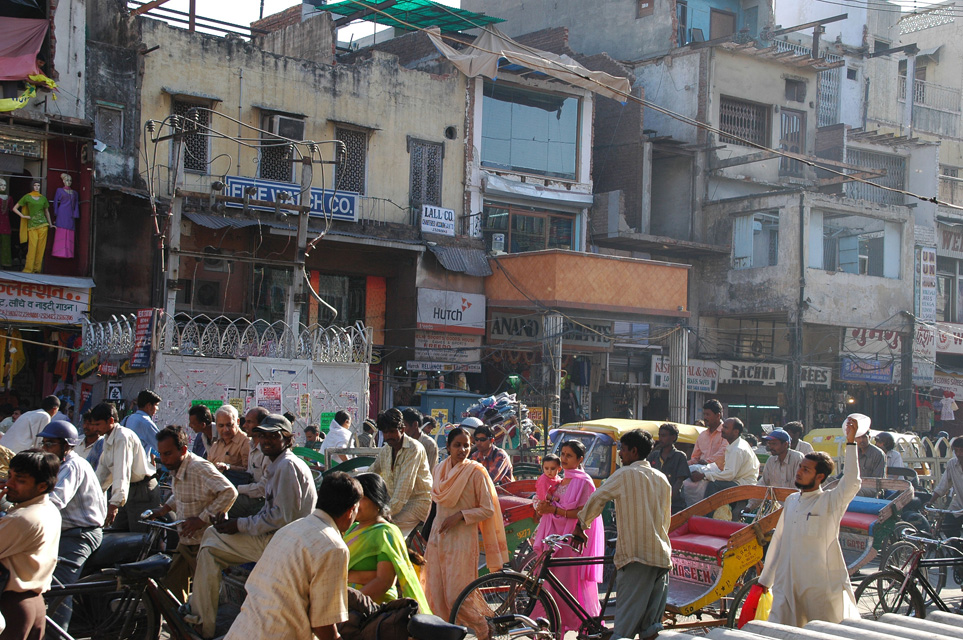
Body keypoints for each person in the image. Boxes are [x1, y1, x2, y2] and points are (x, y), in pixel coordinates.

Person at [184, 414, 317, 639]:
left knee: (209, 549)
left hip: (282, 544)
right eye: (262, 435)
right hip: (278, 537)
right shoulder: (279, 464)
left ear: (287, 438)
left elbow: (280, 518)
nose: (265, 441)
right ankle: (203, 610)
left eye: (272, 436)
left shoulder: (286, 465)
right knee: (210, 537)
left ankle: (201, 621)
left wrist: (240, 525)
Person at [223, 472, 363, 640]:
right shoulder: (333, 547)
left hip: (243, 629)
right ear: (350, 511)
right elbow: (322, 623)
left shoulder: (291, 528)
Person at [757, 417, 862, 627]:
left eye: (806, 470)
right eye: (800, 467)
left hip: (818, 587)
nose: (799, 472)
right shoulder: (792, 501)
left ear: (820, 476)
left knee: (821, 632)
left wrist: (851, 443)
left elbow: (851, 481)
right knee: (780, 630)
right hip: (787, 584)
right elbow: (778, 542)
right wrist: (765, 581)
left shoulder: (830, 502)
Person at [576, 429, 671, 640]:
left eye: (623, 450)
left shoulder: (625, 474)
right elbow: (665, 519)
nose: (620, 454)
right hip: (661, 556)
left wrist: (581, 525)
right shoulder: (661, 478)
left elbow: (597, 498)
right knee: (651, 629)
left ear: (634, 451)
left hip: (636, 555)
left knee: (624, 629)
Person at [424, 427, 508, 638]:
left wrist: (460, 515)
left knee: (457, 596)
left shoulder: (476, 472)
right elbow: (435, 506)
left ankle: (484, 629)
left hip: (461, 542)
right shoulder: (439, 469)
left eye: (466, 445)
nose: (462, 449)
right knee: (435, 594)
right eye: (457, 445)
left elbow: (487, 509)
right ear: (448, 447)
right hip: (437, 538)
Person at [148, 425, 237, 603]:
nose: (163, 459)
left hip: (203, 543)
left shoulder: (198, 467)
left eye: (168, 453)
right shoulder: (176, 467)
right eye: (161, 454)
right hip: (186, 540)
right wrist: (164, 509)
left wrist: (202, 519)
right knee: (171, 585)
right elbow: (181, 494)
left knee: (206, 594)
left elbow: (229, 492)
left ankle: (202, 625)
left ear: (183, 450)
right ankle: (181, 625)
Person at [37, 421, 107, 632]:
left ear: (66, 446)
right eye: (44, 443)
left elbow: (54, 500)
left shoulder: (71, 466)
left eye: (51, 444)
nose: (45, 448)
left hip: (80, 534)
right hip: (62, 532)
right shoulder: (55, 466)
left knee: (60, 587)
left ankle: (57, 633)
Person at [532, 440, 604, 634]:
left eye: (569, 455)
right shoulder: (560, 479)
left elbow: (585, 513)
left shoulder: (584, 482)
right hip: (555, 540)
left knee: (570, 586)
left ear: (580, 459)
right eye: (562, 454)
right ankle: (553, 627)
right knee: (552, 585)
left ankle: (583, 626)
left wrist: (554, 509)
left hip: (570, 543)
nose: (563, 459)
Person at [343, 473, 430, 610]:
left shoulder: (386, 533)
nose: (355, 505)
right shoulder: (351, 528)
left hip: (368, 609)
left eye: (361, 499)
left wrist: (348, 604)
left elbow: (384, 581)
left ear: (376, 500)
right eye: (353, 499)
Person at [0, 450, 62, 640]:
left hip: (12, 607)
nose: (9, 484)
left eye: (20, 479)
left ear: (41, 486)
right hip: (33, 605)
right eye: (9, 476)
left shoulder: (23, 518)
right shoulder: (48, 509)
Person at [90, 402, 160, 533]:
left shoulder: (122, 436)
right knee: (118, 534)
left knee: (139, 537)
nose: (95, 429)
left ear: (110, 420)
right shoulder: (107, 438)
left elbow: (122, 471)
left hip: (141, 491)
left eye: (97, 424)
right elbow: (103, 472)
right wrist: (91, 494)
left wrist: (114, 503)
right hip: (126, 491)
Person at [368, 408, 432, 536]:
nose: (388, 436)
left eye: (392, 432)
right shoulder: (386, 450)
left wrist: (384, 514)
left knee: (386, 530)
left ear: (402, 430)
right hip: (395, 503)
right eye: (385, 432)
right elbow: (371, 474)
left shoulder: (414, 449)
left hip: (418, 503)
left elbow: (404, 488)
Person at [689, 418, 759, 513]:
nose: (722, 429)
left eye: (726, 428)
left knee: (713, 485)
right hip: (738, 480)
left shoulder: (737, 449)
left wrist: (704, 475)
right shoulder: (735, 444)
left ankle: (706, 515)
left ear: (735, 432)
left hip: (743, 484)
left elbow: (729, 475)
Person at [747, 429, 804, 511]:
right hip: (777, 508)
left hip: (796, 507)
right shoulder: (771, 460)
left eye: (774, 444)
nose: (771, 447)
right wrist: (749, 506)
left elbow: (797, 488)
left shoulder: (797, 458)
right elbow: (763, 484)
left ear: (785, 444)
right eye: (769, 444)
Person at [232, 407, 269, 518]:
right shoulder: (252, 445)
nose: (244, 425)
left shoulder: (267, 451)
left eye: (249, 422)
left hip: (261, 501)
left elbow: (263, 489)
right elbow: (249, 473)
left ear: (260, 425)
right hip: (251, 492)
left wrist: (237, 488)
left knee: (225, 502)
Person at [647, 423, 690, 513]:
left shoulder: (679, 456)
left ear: (673, 437)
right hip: (654, 503)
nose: (660, 439)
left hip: (674, 505)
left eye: (663, 436)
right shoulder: (654, 455)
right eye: (659, 435)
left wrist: (667, 500)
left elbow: (679, 482)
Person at [12, 179, 53, 274]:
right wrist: (23, 216)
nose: (37, 187)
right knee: (32, 248)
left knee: (41, 248)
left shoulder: (43, 198)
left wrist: (50, 224)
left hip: (43, 225)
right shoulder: (27, 197)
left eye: (38, 185)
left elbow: (47, 212)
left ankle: (37, 269)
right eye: (35, 185)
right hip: (32, 226)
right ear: (32, 186)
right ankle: (28, 269)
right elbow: (15, 208)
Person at [928, 436, 963, 537]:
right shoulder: (952, 464)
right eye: (956, 451)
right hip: (958, 506)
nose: (959, 454)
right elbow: (943, 486)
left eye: (961, 450)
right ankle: (957, 552)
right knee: (948, 529)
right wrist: (931, 501)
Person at [206, 405, 250, 476]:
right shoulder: (216, 445)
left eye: (229, 425)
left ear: (237, 422)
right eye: (221, 426)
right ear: (216, 425)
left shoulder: (246, 442)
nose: (225, 430)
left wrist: (229, 467)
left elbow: (249, 471)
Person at [123, 390, 161, 459]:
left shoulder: (127, 419)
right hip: (139, 466)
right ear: (149, 406)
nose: (157, 409)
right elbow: (161, 445)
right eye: (156, 405)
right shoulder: (146, 423)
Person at [52, 173, 80, 259]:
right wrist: (56, 213)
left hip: (70, 214)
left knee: (70, 230)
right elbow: (55, 202)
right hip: (62, 213)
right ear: (63, 181)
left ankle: (69, 252)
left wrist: (76, 214)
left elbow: (76, 204)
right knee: (61, 230)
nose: (69, 182)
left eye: (70, 180)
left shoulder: (75, 193)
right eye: (67, 180)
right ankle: (59, 251)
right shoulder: (59, 190)